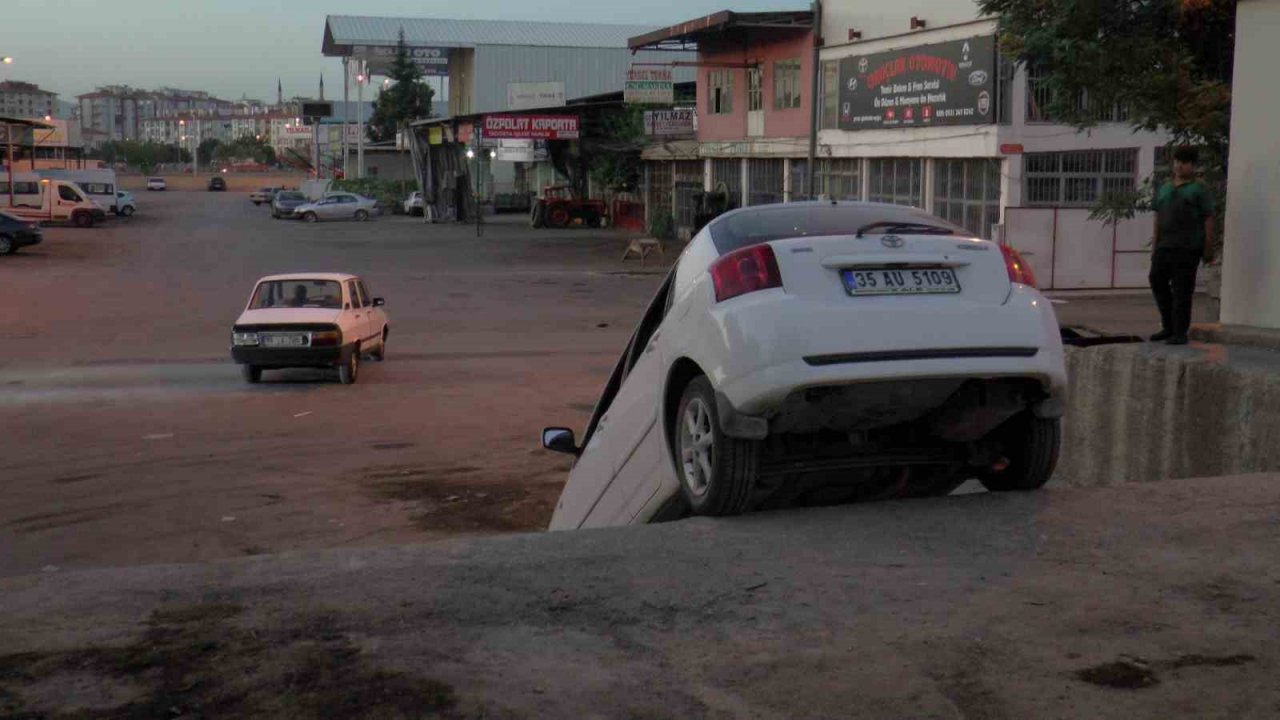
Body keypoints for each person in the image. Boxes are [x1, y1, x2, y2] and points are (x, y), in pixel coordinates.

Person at [1149, 146, 1215, 345]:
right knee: (1156, 281)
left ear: (1193, 165)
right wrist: (1154, 244)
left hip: (1187, 247)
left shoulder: (1199, 188)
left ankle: (1179, 332)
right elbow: (1157, 217)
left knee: (1182, 290)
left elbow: (1208, 218)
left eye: (1184, 162)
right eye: (1176, 161)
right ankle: (1168, 326)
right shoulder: (1165, 187)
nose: (1179, 165)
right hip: (1164, 246)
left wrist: (1208, 246)